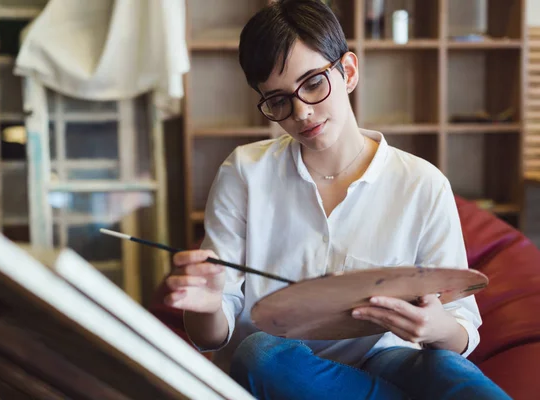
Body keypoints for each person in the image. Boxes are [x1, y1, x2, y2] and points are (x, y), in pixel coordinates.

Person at [165, 1, 511, 398]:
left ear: (347, 71)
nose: (303, 113)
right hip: (281, 371)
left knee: (447, 367)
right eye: (278, 100)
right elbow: (211, 337)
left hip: (386, 362)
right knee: (259, 353)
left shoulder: (422, 184)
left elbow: (459, 326)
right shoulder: (245, 172)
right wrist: (208, 306)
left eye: (313, 83)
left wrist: (434, 328)